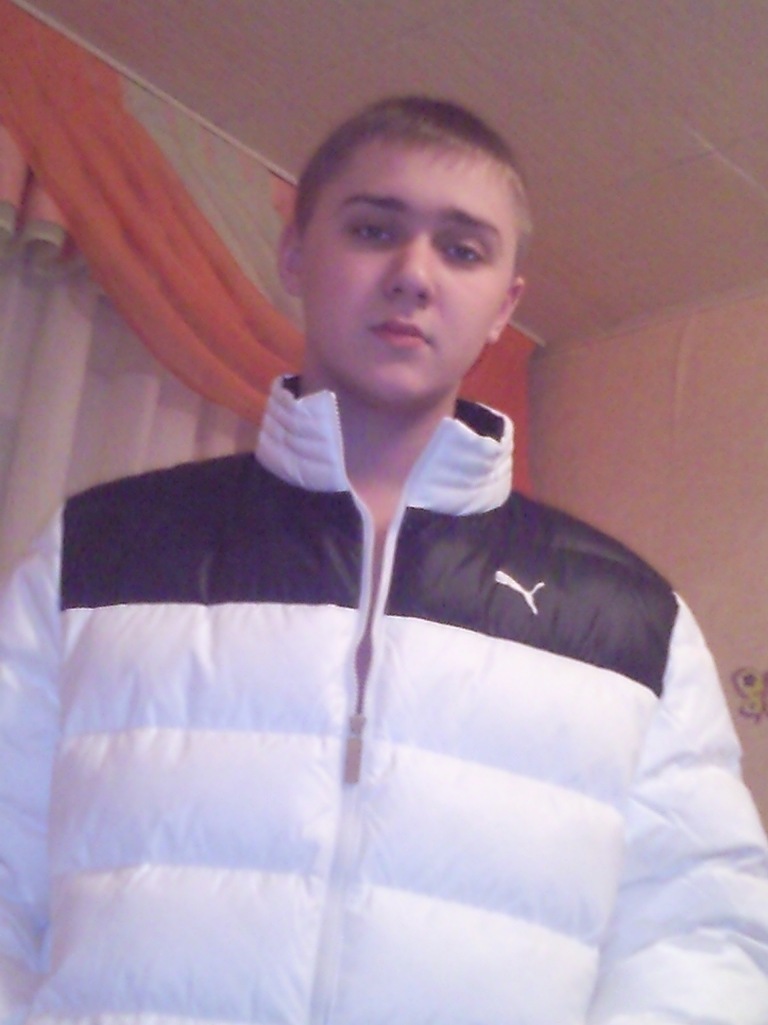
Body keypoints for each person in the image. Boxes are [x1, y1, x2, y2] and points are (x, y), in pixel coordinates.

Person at [1, 95, 767, 1025]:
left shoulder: (632, 619)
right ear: (296, 254)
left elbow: (697, 940)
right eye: (373, 229)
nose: (413, 274)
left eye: (463, 249)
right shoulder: (100, 550)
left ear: (505, 304)